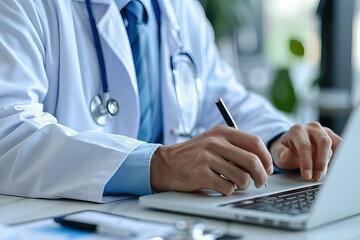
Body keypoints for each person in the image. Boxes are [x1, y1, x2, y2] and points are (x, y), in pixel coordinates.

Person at [0, 0, 341, 203]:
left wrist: (277, 142)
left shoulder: (177, 6)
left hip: (166, 222)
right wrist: (159, 165)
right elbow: (9, 133)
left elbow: (217, 95)